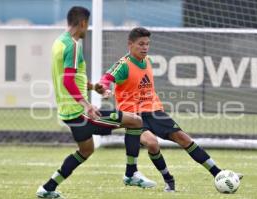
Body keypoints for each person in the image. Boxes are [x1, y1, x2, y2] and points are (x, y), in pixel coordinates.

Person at [98, 27, 243, 192]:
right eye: (141, 44)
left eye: (147, 44)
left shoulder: (147, 60)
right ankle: (169, 180)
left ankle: (219, 173)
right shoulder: (123, 64)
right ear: (130, 44)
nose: (145, 47)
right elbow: (106, 78)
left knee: (184, 139)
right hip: (134, 116)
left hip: (155, 111)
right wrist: (104, 88)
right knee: (152, 143)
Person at [36, 7, 154, 199]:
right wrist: (87, 105)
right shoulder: (73, 46)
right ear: (83, 23)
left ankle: (48, 187)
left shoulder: (59, 42)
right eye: (87, 25)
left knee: (86, 150)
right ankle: (131, 173)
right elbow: (67, 81)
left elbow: (71, 78)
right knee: (135, 121)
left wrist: (93, 88)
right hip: (80, 112)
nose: (87, 28)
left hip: (67, 111)